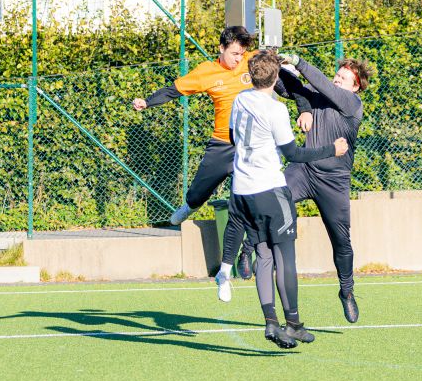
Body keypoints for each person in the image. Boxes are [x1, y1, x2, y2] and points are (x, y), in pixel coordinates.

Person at [227, 50, 348, 348]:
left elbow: (233, 137)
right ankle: (292, 323)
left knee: (263, 255)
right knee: (285, 258)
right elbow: (294, 154)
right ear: (275, 77)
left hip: (243, 191)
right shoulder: (276, 110)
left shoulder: (240, 99)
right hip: (270, 189)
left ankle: (271, 322)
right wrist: (331, 150)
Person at [132, 26, 259, 279]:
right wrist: (147, 101)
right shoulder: (206, 72)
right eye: (234, 53)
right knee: (201, 190)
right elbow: (174, 90)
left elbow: (279, 73)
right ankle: (190, 205)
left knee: (247, 200)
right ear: (221, 49)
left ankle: (247, 253)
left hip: (250, 145)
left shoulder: (252, 61)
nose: (238, 58)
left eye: (241, 53)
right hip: (222, 144)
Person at [273, 51, 369, 324]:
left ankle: (347, 291)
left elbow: (320, 83)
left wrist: (298, 61)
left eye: (343, 78)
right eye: (336, 75)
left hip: (334, 182)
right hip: (304, 170)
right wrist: (275, 65)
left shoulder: (352, 105)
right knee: (274, 196)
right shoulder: (318, 94)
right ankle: (250, 248)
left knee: (342, 242)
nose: (336, 80)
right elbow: (289, 88)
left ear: (355, 86)